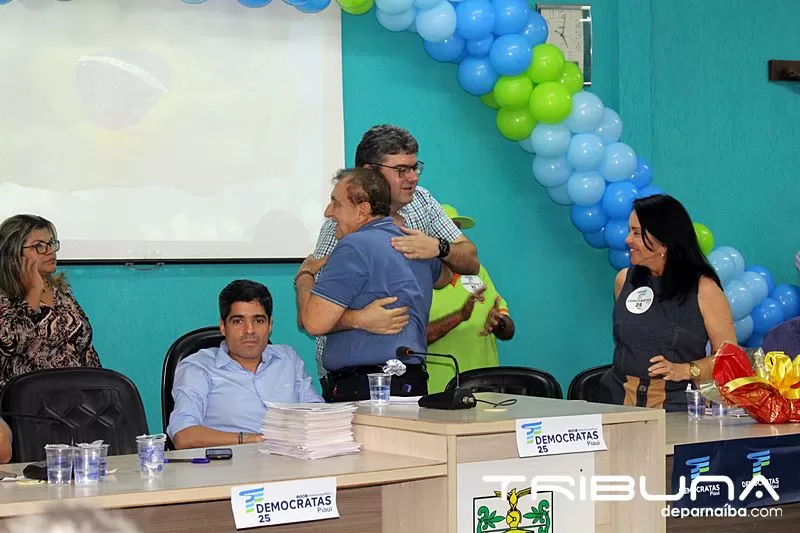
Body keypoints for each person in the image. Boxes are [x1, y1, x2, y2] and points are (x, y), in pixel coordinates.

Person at [310, 125, 480, 397]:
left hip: (405, 370)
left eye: (415, 167)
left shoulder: (422, 203)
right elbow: (317, 310)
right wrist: (358, 319)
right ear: (370, 173)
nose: (413, 178)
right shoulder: (340, 226)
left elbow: (470, 261)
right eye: (401, 170)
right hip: (350, 375)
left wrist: (439, 247)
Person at [295, 168, 452, 401]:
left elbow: (313, 323)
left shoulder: (352, 247)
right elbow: (445, 277)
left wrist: (304, 277)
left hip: (367, 390)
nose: (328, 212)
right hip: (412, 386)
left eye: (336, 203)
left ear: (362, 210)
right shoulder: (413, 245)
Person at [598, 194, 736, 412]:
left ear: (662, 242)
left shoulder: (704, 289)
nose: (627, 240)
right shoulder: (624, 281)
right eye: (629, 231)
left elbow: (729, 358)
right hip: (618, 405)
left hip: (677, 409)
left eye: (636, 232)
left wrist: (686, 370)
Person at [168, 280, 323, 450]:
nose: (249, 330)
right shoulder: (198, 367)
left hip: (292, 458)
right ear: (223, 326)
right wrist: (252, 439)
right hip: (230, 462)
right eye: (238, 321)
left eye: (258, 320)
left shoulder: (288, 359)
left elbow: (319, 416)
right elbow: (184, 435)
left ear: (270, 325)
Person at [0, 214, 101, 390]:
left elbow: (85, 348)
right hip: (27, 400)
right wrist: (33, 291)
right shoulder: (4, 297)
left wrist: (100, 390)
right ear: (13, 253)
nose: (50, 251)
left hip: (76, 397)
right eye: (39, 246)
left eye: (51, 243)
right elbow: (12, 344)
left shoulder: (61, 292)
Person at [425, 204, 516, 393]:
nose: (455, 241)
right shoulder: (417, 274)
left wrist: (499, 322)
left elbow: (508, 331)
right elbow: (414, 339)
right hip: (436, 391)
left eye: (457, 232)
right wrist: (459, 316)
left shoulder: (478, 272)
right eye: (446, 232)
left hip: (486, 389)